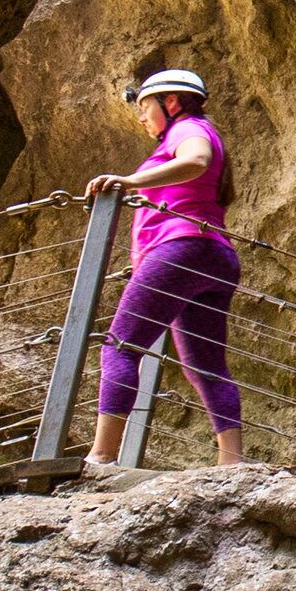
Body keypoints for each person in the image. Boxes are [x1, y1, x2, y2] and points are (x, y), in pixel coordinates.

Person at [82, 68, 246, 465]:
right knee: (205, 366)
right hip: (213, 254)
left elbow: (196, 160)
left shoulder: (187, 129)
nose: (141, 118)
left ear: (171, 103)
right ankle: (232, 464)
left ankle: (101, 457)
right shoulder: (196, 130)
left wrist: (127, 181)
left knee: (120, 346)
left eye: (145, 107)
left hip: (179, 249)